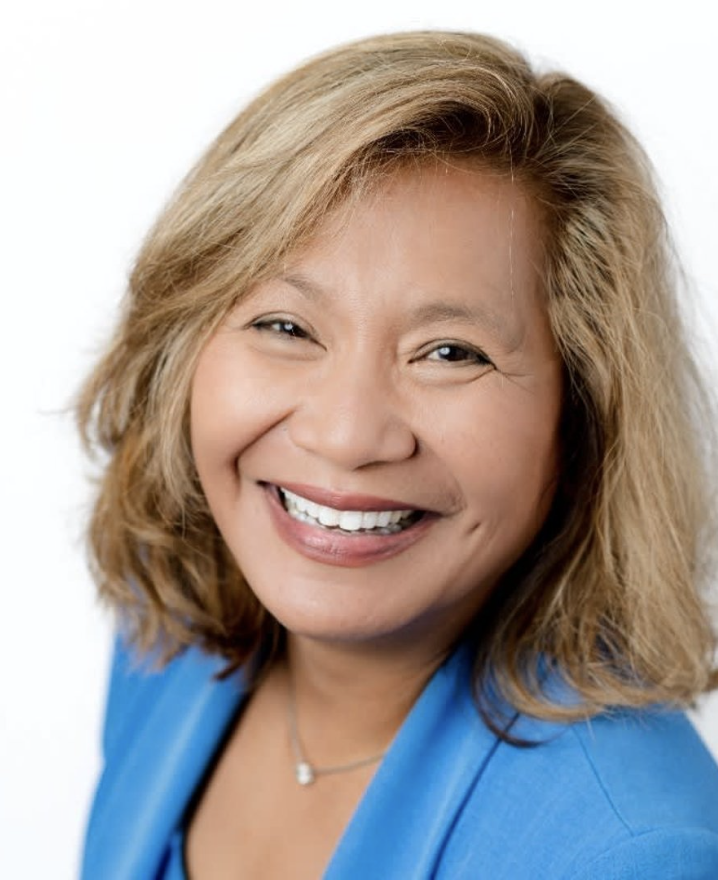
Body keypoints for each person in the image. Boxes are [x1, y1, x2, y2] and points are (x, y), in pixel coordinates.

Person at [78, 30, 718, 879]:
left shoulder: (634, 855)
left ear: (583, 419)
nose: (346, 435)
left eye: (450, 352)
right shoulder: (164, 647)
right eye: (286, 327)